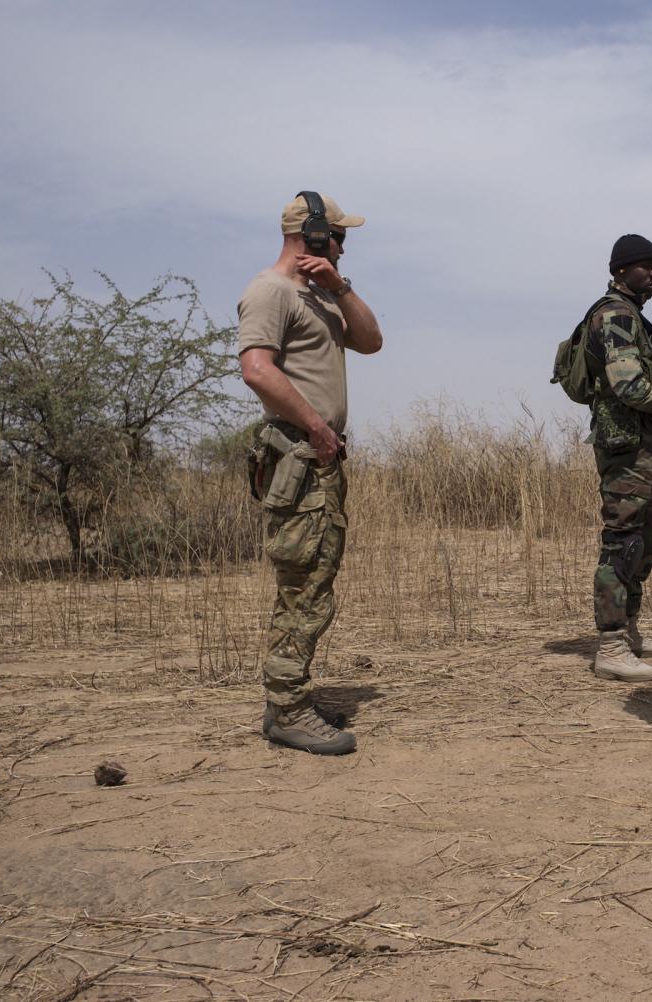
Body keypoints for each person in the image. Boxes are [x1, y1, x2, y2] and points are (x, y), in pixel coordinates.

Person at [238, 191, 382, 756]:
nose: (346, 246)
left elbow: (371, 341)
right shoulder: (270, 292)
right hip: (300, 456)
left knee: (316, 579)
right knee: (305, 587)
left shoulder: (319, 295)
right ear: (316, 237)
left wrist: (339, 288)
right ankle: (287, 709)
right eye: (340, 236)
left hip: (317, 457)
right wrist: (317, 429)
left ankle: (289, 697)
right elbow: (256, 369)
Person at [586, 235, 652, 683]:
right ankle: (611, 645)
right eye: (644, 266)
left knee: (642, 538)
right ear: (621, 271)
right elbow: (628, 384)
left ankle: (629, 631)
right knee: (623, 541)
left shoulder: (633, 314)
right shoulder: (617, 314)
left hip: (636, 439)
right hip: (624, 443)